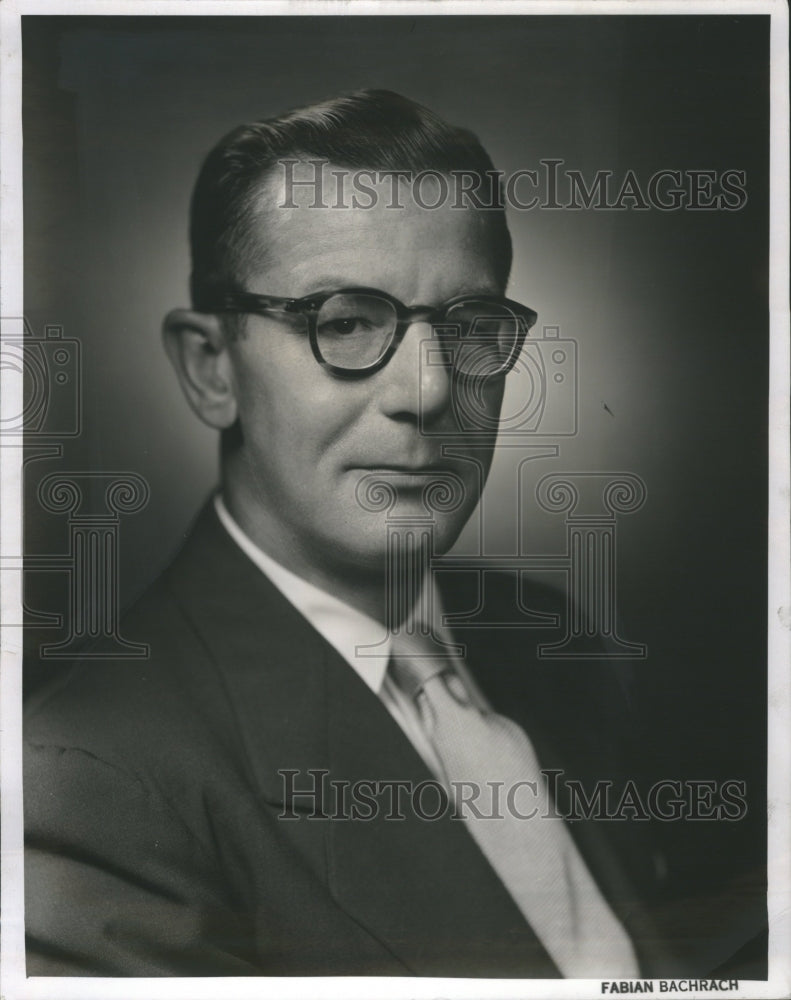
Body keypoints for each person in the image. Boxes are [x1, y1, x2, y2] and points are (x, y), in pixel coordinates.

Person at [23, 89, 739, 980]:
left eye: (471, 327)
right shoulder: (85, 781)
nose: (430, 391)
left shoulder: (558, 649)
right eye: (347, 322)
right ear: (212, 368)